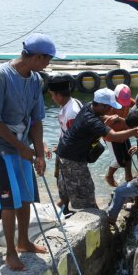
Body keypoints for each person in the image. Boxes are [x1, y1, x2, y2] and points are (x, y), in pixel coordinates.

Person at [0, 33, 53, 271]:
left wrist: (38, 152)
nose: (48, 64)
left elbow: (37, 119)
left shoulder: (35, 80)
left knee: (25, 194)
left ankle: (24, 242)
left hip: (21, 142)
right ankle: (10, 253)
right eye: (47, 59)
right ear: (36, 56)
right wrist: (21, 148)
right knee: (8, 200)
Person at [56, 88, 138, 211]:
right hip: (73, 159)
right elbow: (113, 137)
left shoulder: (88, 106)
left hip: (64, 152)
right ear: (101, 105)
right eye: (109, 107)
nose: (111, 109)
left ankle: (61, 213)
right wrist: (134, 131)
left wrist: (110, 117)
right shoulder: (92, 121)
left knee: (66, 192)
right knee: (86, 191)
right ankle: (93, 218)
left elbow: (101, 117)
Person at [47, 75, 82, 215]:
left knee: (69, 182)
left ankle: (67, 207)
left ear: (59, 95)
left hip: (70, 154)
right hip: (63, 148)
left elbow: (75, 138)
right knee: (61, 180)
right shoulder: (70, 104)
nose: (52, 99)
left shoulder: (71, 112)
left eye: (52, 95)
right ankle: (64, 206)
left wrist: (62, 148)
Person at [104, 84, 135, 187]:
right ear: (116, 97)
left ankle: (128, 177)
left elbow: (136, 104)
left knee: (128, 155)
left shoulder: (128, 100)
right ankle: (109, 176)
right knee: (118, 161)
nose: (124, 105)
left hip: (124, 133)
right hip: (112, 136)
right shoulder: (110, 105)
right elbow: (102, 118)